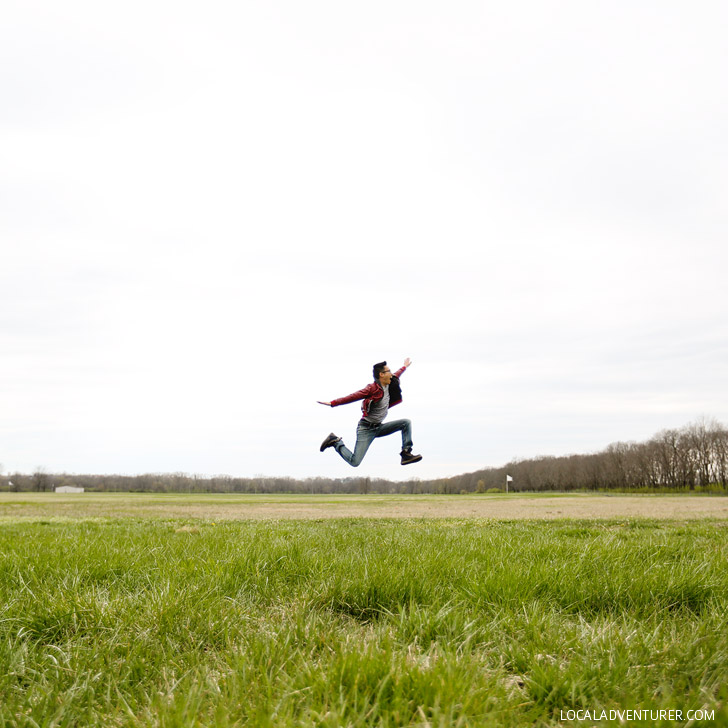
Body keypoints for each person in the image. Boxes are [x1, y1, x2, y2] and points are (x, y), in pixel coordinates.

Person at [318, 358, 422, 467]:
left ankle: (406, 453)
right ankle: (335, 442)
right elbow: (354, 396)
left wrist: (404, 366)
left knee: (406, 422)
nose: (391, 374)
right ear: (381, 374)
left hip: (379, 427)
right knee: (355, 462)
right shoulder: (372, 389)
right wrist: (333, 403)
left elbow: (397, 374)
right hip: (366, 429)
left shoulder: (391, 382)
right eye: (389, 371)